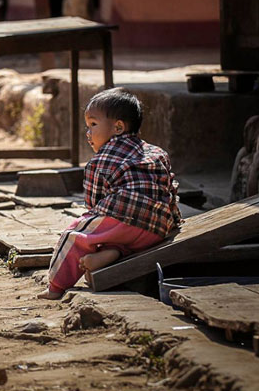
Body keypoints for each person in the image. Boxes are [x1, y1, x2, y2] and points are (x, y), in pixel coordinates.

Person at [38, 88, 181, 300]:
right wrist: (173, 221)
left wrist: (90, 224)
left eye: (93, 125)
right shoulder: (157, 152)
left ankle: (55, 286)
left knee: (76, 235)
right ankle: (115, 251)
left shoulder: (100, 160)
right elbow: (170, 188)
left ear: (118, 127)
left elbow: (94, 205)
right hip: (157, 229)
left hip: (122, 220)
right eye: (87, 127)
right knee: (117, 231)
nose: (88, 133)